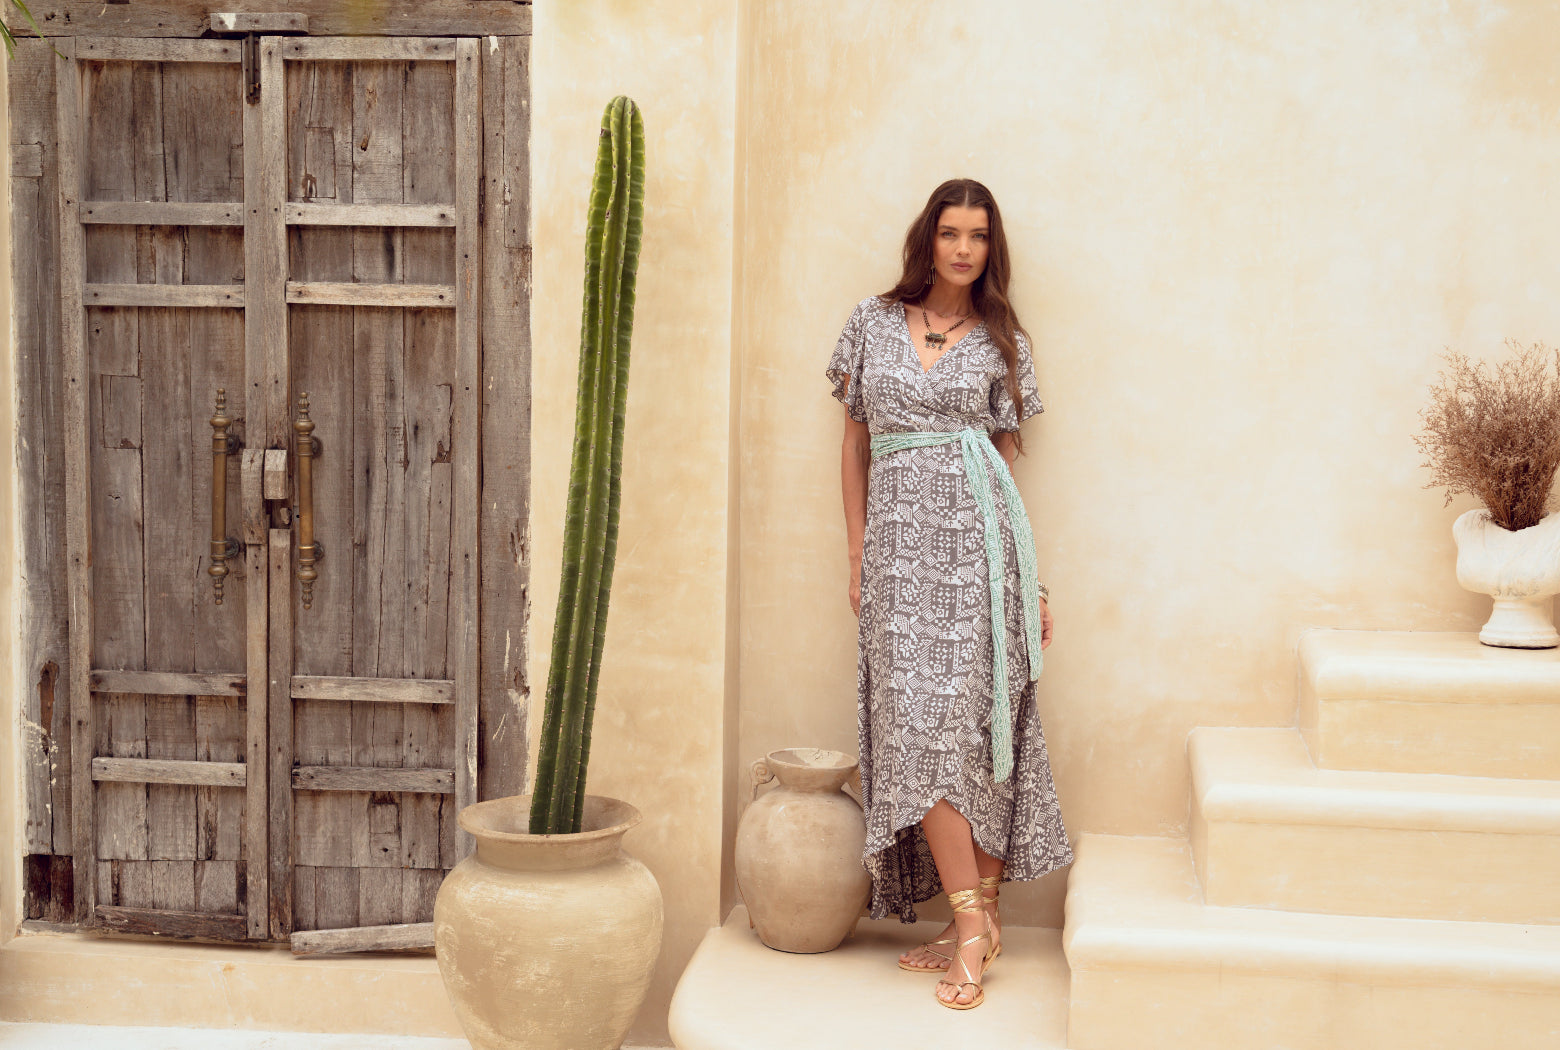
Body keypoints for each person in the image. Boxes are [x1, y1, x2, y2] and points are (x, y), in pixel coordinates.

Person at [826, 178, 1073, 1010]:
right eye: (949, 233)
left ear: (989, 249)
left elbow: (1004, 461)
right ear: (927, 241)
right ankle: (975, 920)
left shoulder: (1003, 341)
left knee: (977, 725)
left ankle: (975, 924)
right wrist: (858, 552)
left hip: (981, 550)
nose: (963, 248)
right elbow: (854, 444)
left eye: (977, 236)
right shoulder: (870, 322)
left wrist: (1027, 582)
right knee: (920, 726)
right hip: (898, 557)